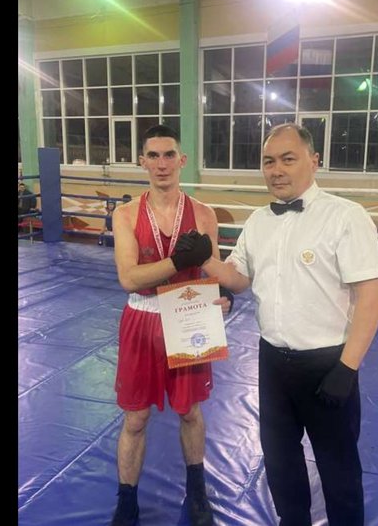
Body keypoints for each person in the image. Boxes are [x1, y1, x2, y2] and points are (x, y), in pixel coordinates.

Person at [192, 123, 378, 525]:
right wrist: (205, 259)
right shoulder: (258, 221)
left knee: (338, 469)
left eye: (287, 159)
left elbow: (373, 296)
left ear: (314, 162)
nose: (276, 170)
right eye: (269, 161)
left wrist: (347, 367)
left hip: (328, 363)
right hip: (272, 362)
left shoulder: (345, 217)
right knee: (281, 462)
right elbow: (239, 278)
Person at [109, 124, 231, 526]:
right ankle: (127, 502)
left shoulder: (204, 214)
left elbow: (212, 272)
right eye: (153, 155)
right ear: (142, 162)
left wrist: (225, 296)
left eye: (169, 155)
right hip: (142, 318)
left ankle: (197, 494)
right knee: (136, 418)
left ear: (182, 160)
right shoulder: (126, 214)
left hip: (188, 317)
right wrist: (178, 261)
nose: (162, 164)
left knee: (190, 412)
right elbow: (129, 278)